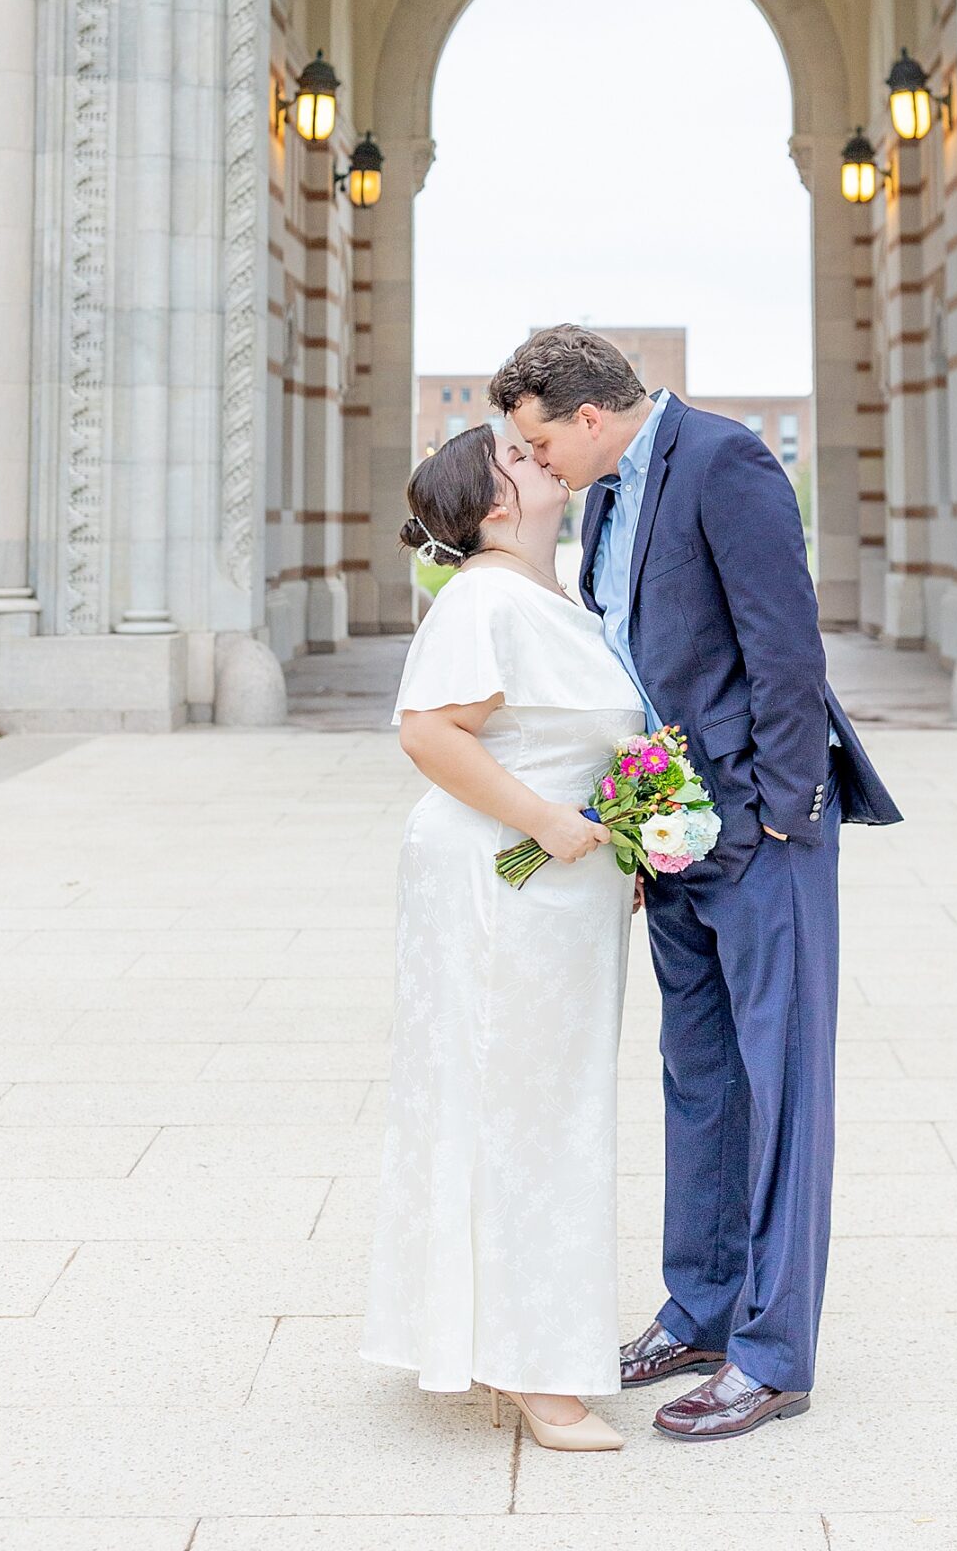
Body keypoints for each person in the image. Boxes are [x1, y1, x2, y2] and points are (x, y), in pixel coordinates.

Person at [491, 324, 903, 1444]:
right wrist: (635, 828)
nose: (540, 468)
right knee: (701, 1077)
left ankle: (773, 1356)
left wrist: (780, 811)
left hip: (759, 831)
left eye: (540, 443)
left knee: (780, 1084)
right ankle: (703, 1310)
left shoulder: (724, 461)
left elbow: (783, 644)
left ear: (587, 414)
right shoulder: (611, 496)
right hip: (664, 830)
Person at [360, 420, 646, 1453]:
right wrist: (548, 821)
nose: (543, 456)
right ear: (492, 505)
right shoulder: (481, 598)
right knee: (525, 1111)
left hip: (559, 891)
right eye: (520, 457)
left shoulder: (544, 594)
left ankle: (501, 1343)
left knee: (539, 1106)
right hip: (503, 886)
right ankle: (536, 1370)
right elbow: (429, 732)